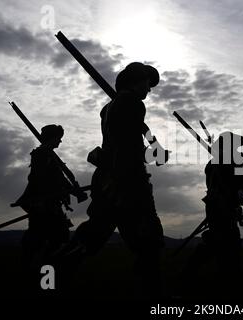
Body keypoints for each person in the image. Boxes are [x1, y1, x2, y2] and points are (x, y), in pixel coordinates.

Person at [61, 62, 167, 297]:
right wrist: (148, 159)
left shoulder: (110, 107)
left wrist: (153, 151)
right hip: (127, 181)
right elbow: (127, 148)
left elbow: (128, 141)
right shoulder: (133, 104)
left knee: (94, 234)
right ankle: (153, 294)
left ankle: (53, 274)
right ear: (135, 81)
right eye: (147, 84)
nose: (149, 90)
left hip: (109, 179)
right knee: (150, 239)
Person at [181, 132, 243, 297]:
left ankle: (224, 276)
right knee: (223, 241)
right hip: (219, 207)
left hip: (221, 207)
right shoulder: (219, 164)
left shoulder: (225, 162)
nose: (237, 148)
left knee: (223, 242)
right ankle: (217, 276)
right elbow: (240, 185)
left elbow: (237, 186)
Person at [13, 124, 74, 288]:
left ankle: (43, 278)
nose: (60, 142)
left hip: (49, 205)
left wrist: (74, 191)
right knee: (42, 241)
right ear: (52, 138)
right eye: (58, 138)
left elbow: (60, 179)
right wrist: (40, 200)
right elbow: (37, 179)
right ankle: (40, 279)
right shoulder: (41, 155)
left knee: (54, 240)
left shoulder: (49, 156)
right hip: (43, 206)